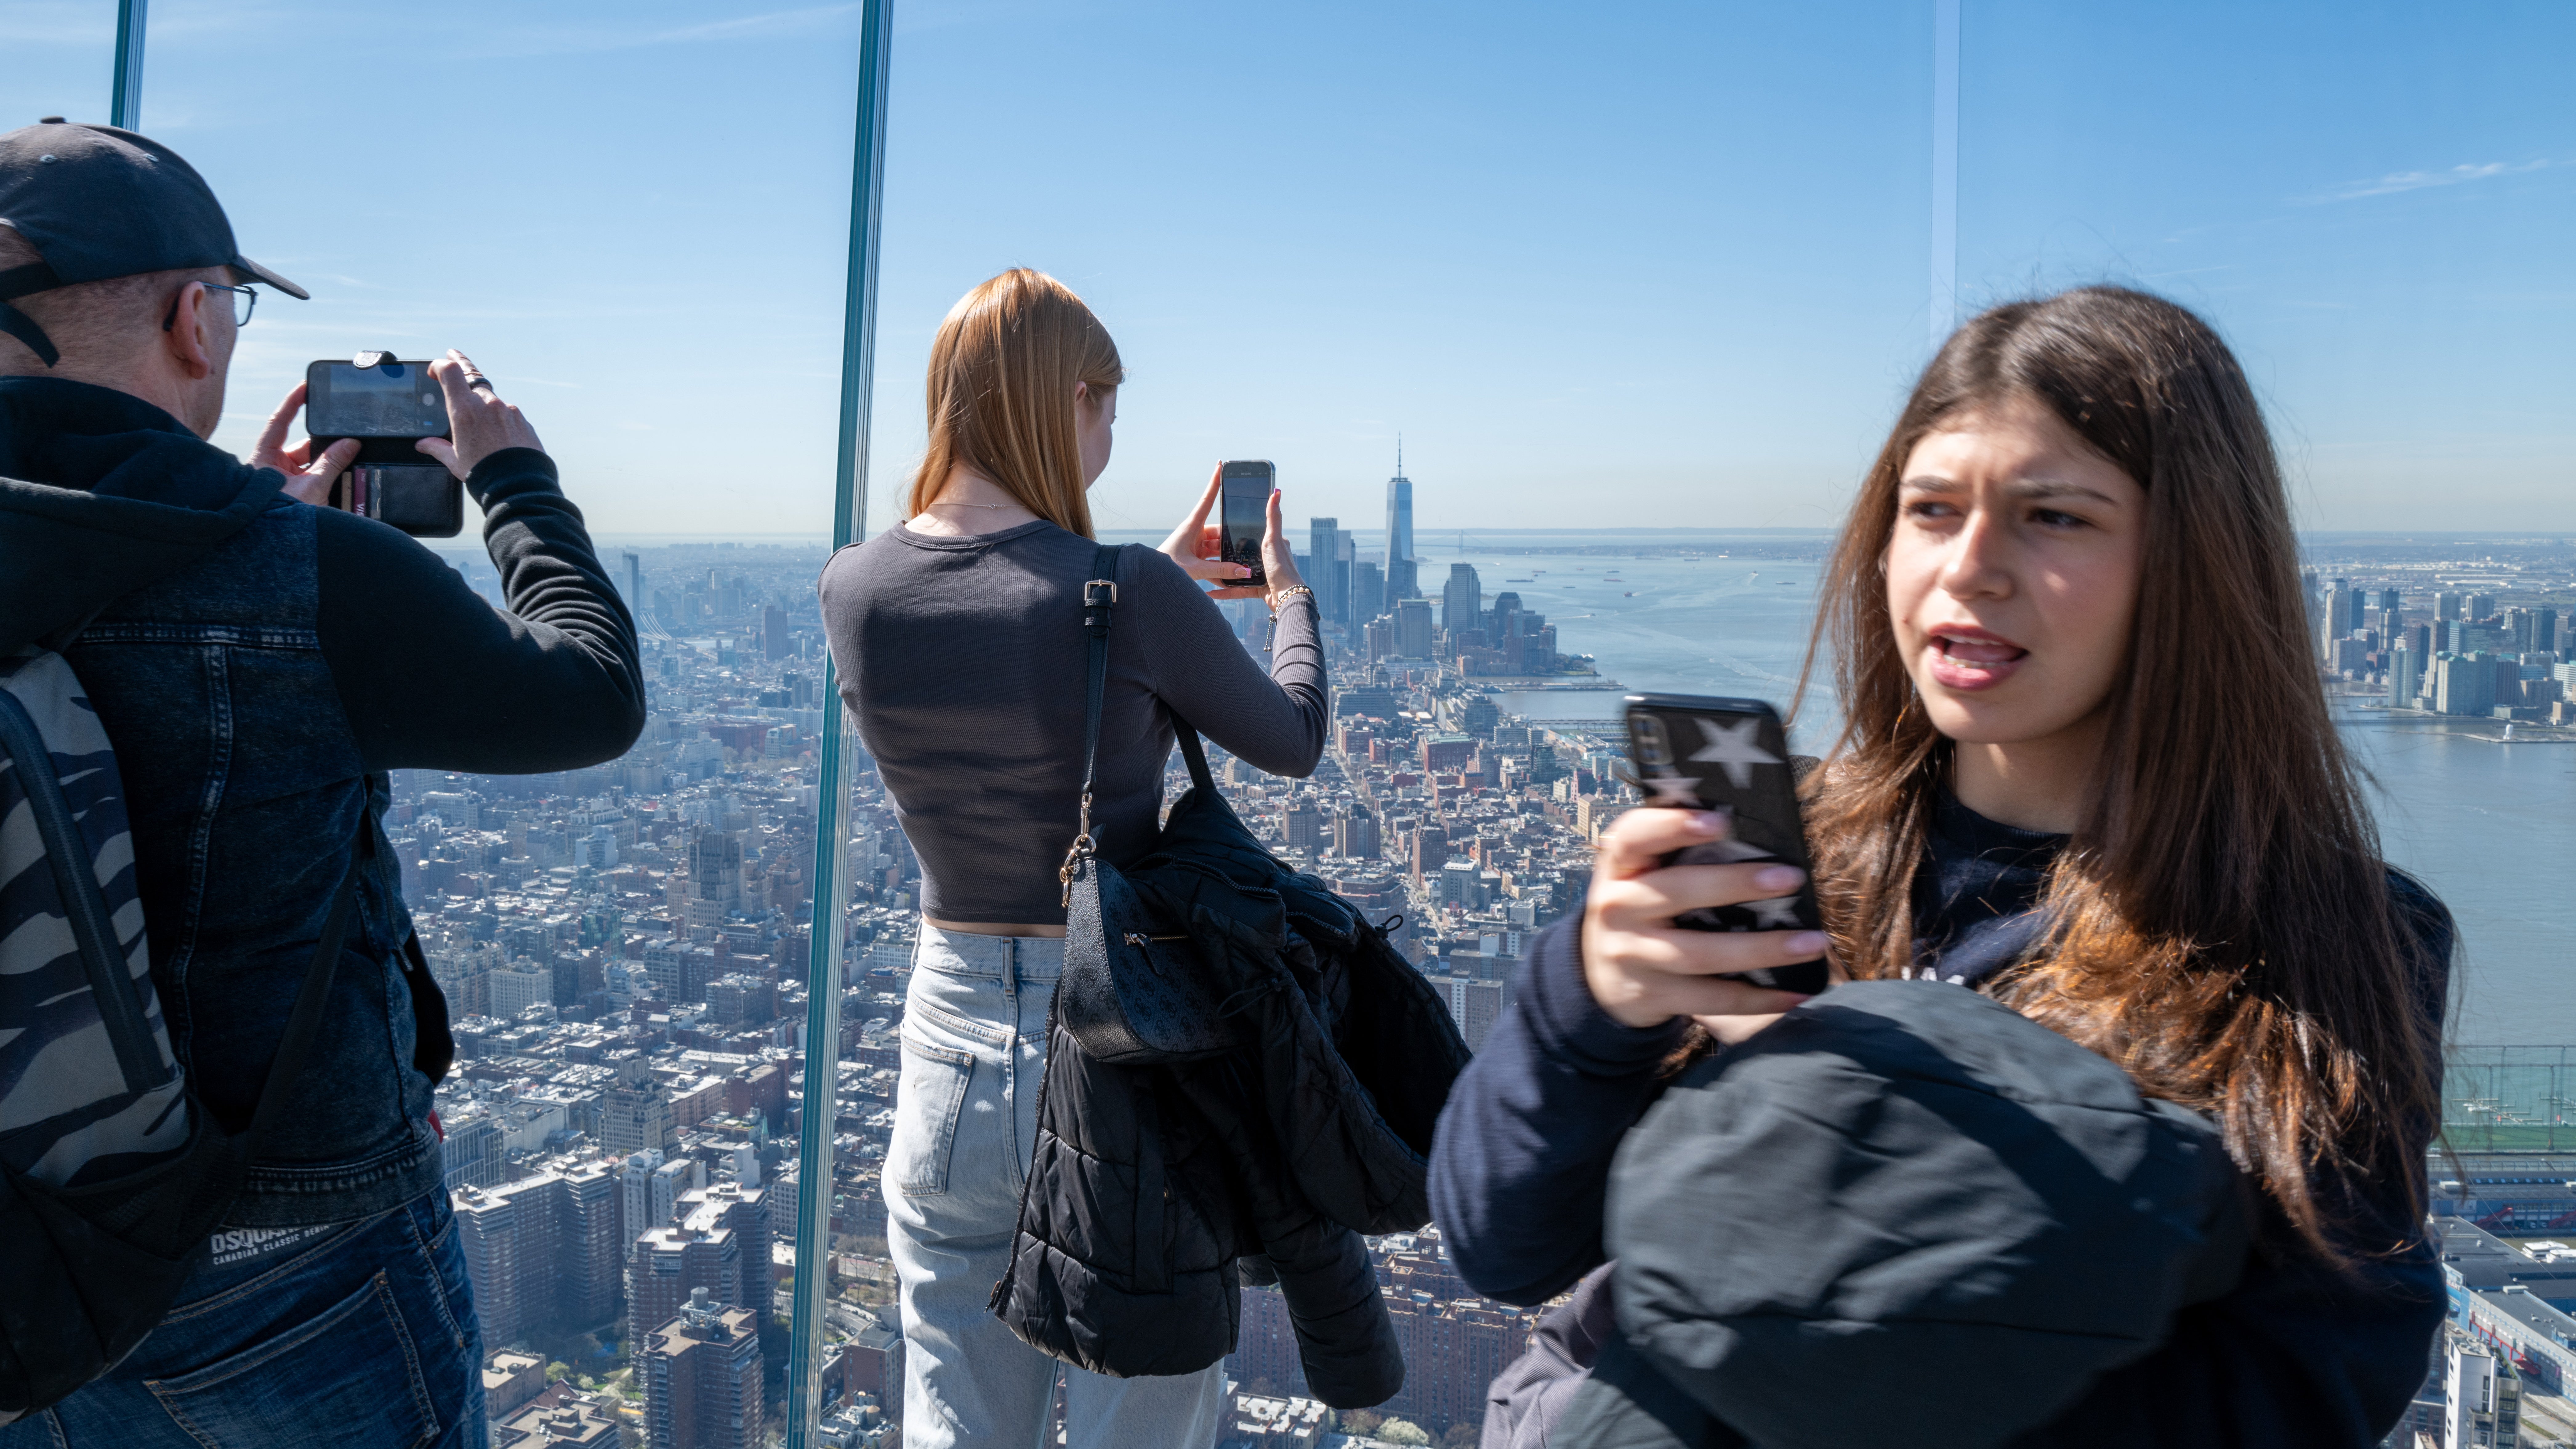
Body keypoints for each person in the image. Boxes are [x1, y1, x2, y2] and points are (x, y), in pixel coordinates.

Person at [1433, 287, 2449, 1445]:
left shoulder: (2325, 942)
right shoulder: (1780, 860)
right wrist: (1588, 1009)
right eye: (1930, 509)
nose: (1970, 567)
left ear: (2193, 567)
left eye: (2055, 516)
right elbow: (1502, 1246)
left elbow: (2302, 1395)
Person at [0, 119, 642, 1447]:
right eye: (227, 304)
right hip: (293, 1248)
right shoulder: (296, 570)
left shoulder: (250, 546)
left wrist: (227, 514)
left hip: (25, 1257)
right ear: (194, 318)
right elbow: (587, 696)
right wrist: (515, 481)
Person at [817, 267, 1327, 1447]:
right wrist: (1287, 596)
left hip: (946, 1044)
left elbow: (997, 627)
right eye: (1106, 403)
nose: (1110, 431)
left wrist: (1140, 584)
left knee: (952, 1408)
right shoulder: (1133, 593)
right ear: (1064, 403)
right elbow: (1292, 737)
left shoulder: (855, 588)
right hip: (1120, 1043)